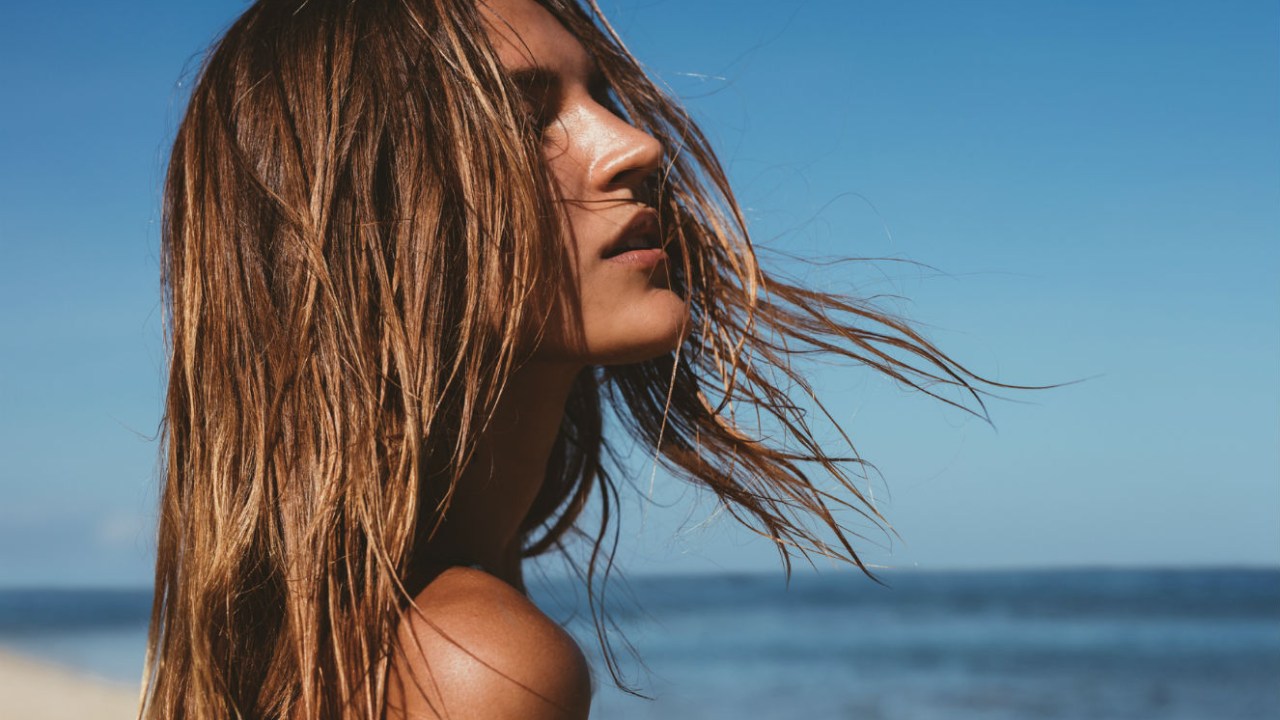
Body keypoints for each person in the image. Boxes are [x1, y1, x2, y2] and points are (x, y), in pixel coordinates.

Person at [142, 0, 1006, 718]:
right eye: (528, 119)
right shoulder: (471, 667)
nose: (637, 147)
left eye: (598, 96)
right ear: (369, 217)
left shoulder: (340, 638)